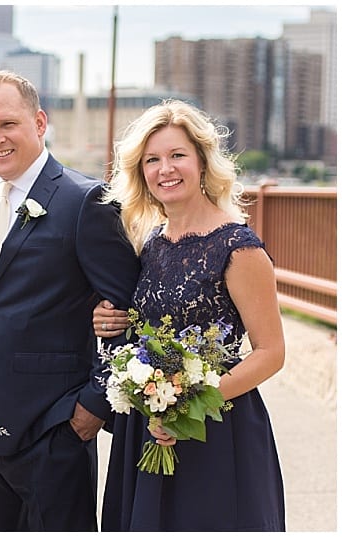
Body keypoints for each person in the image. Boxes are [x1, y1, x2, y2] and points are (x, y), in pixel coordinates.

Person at [0, 70, 140, 531]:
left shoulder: (85, 200)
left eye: (8, 124)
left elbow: (132, 311)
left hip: (54, 429)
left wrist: (95, 404)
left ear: (39, 122)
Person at [93, 99, 286, 531]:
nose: (166, 169)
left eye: (177, 155)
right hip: (149, 423)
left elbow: (271, 352)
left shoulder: (239, 248)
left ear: (202, 161)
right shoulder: (151, 243)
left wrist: (189, 407)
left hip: (216, 429)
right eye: (152, 159)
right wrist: (109, 320)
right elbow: (149, 324)